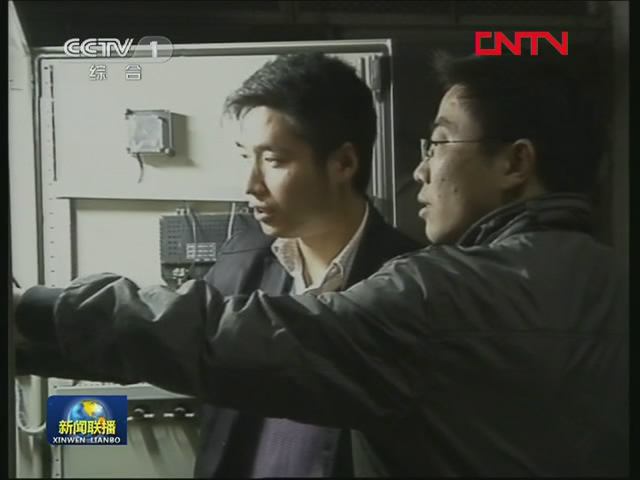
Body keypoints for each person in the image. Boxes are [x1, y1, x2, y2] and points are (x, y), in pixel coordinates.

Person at [13, 52, 628, 476]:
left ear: (515, 163)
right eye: (245, 156)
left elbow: (223, 338)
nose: (421, 168)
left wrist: (30, 312)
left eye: (440, 142)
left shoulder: (428, 293)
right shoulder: (612, 286)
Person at [15, 52, 421, 479]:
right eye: (246, 157)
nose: (250, 184)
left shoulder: (409, 284)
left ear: (344, 163)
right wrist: (23, 343)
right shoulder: (243, 257)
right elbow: (162, 345)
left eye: (274, 160)